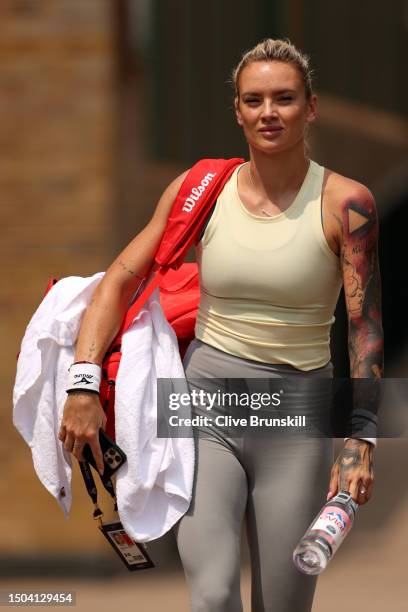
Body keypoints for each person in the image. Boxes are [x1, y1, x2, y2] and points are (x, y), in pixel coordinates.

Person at [58, 38, 383, 612]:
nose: (268, 112)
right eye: (253, 100)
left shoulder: (346, 204)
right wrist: (83, 381)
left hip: (296, 415)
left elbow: (365, 330)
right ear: (237, 110)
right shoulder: (200, 192)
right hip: (204, 403)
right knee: (210, 595)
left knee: (281, 605)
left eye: (284, 98)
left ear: (310, 108)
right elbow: (117, 281)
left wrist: (361, 437)